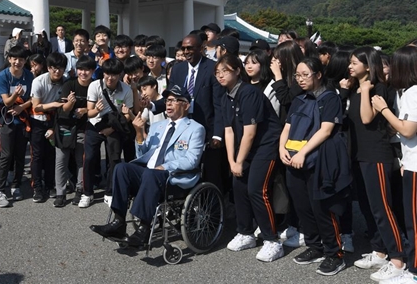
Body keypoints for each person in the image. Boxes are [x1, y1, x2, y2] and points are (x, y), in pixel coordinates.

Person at [89, 85, 205, 248]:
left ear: (185, 105)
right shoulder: (159, 126)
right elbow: (142, 154)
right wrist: (139, 132)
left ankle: (144, 228)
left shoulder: (195, 128)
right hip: (150, 172)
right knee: (122, 168)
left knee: (151, 174)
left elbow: (192, 160)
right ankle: (119, 222)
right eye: (167, 100)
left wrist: (165, 167)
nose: (169, 104)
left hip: (173, 177)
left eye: (174, 100)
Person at [279, 57, 351, 277]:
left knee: (322, 208)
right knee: (302, 207)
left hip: (317, 161)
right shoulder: (299, 99)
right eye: (297, 75)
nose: (300, 79)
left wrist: (302, 153)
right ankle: (314, 246)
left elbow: (326, 130)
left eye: (305, 75)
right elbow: (287, 127)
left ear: (318, 75)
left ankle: (334, 254)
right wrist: (282, 148)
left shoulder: (330, 98)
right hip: (293, 160)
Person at [215, 54, 283, 262]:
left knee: (257, 189)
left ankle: (272, 240)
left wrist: (238, 160)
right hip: (245, 148)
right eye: (217, 72)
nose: (220, 76)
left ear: (237, 71)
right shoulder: (225, 96)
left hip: (265, 146)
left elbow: (250, 131)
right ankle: (245, 233)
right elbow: (228, 132)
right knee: (238, 186)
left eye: (224, 71)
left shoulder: (249, 93)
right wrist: (232, 161)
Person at [345, 47, 406, 281]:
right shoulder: (356, 88)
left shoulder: (379, 88)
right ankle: (380, 251)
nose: (350, 67)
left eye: (354, 63)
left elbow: (366, 118)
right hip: (360, 155)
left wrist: (365, 89)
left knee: (383, 209)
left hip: (377, 155)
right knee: (369, 208)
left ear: (368, 66)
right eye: (350, 62)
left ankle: (398, 260)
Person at [371, 46, 417, 284]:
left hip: (416, 166)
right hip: (411, 162)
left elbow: (408, 130)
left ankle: (414, 272)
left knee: (414, 222)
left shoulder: (412, 92)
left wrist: (384, 109)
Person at [165, 34, 226, 193]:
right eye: (184, 48)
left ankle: (214, 212)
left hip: (206, 129)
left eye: (190, 48)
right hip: (182, 129)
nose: (186, 52)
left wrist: (218, 134)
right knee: (184, 172)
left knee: (210, 174)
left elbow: (219, 105)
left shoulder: (212, 68)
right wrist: (151, 105)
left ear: (201, 48)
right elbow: (170, 96)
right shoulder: (178, 69)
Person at [81, 58, 134, 208]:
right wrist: (97, 110)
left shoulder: (126, 90)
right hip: (94, 123)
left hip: (114, 126)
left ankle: (109, 192)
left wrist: (112, 129)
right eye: (107, 74)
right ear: (103, 73)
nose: (110, 78)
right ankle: (87, 193)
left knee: (114, 159)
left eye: (114, 75)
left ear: (120, 74)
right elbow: (89, 113)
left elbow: (127, 116)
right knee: (89, 158)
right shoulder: (94, 86)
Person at [0, 46, 34, 207]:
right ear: (9, 59)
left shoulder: (29, 75)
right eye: (15, 58)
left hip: (23, 120)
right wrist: (16, 96)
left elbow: (33, 98)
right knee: (6, 155)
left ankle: (16, 185)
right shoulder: (3, 76)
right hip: (7, 121)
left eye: (22, 59)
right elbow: (5, 101)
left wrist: (22, 107)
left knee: (20, 155)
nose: (18, 62)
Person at [54, 56, 96, 207]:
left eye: (87, 70)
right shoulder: (69, 84)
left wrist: (85, 110)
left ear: (92, 71)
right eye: (80, 69)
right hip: (65, 126)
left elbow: (97, 108)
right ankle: (60, 193)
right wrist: (70, 104)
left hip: (83, 127)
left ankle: (80, 190)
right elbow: (63, 109)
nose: (83, 73)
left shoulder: (95, 86)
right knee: (61, 160)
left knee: (81, 160)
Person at [29, 52, 67, 202]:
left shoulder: (66, 82)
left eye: (60, 68)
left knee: (53, 154)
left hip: (56, 120)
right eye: (53, 68)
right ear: (48, 68)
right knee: (37, 155)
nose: (57, 71)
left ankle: (50, 185)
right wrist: (54, 104)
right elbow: (36, 107)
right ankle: (37, 188)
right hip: (38, 120)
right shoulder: (39, 81)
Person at [244, 49, 279, 114]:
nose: (249, 66)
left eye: (254, 63)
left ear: (263, 64)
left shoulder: (271, 87)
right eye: (246, 63)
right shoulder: (244, 85)